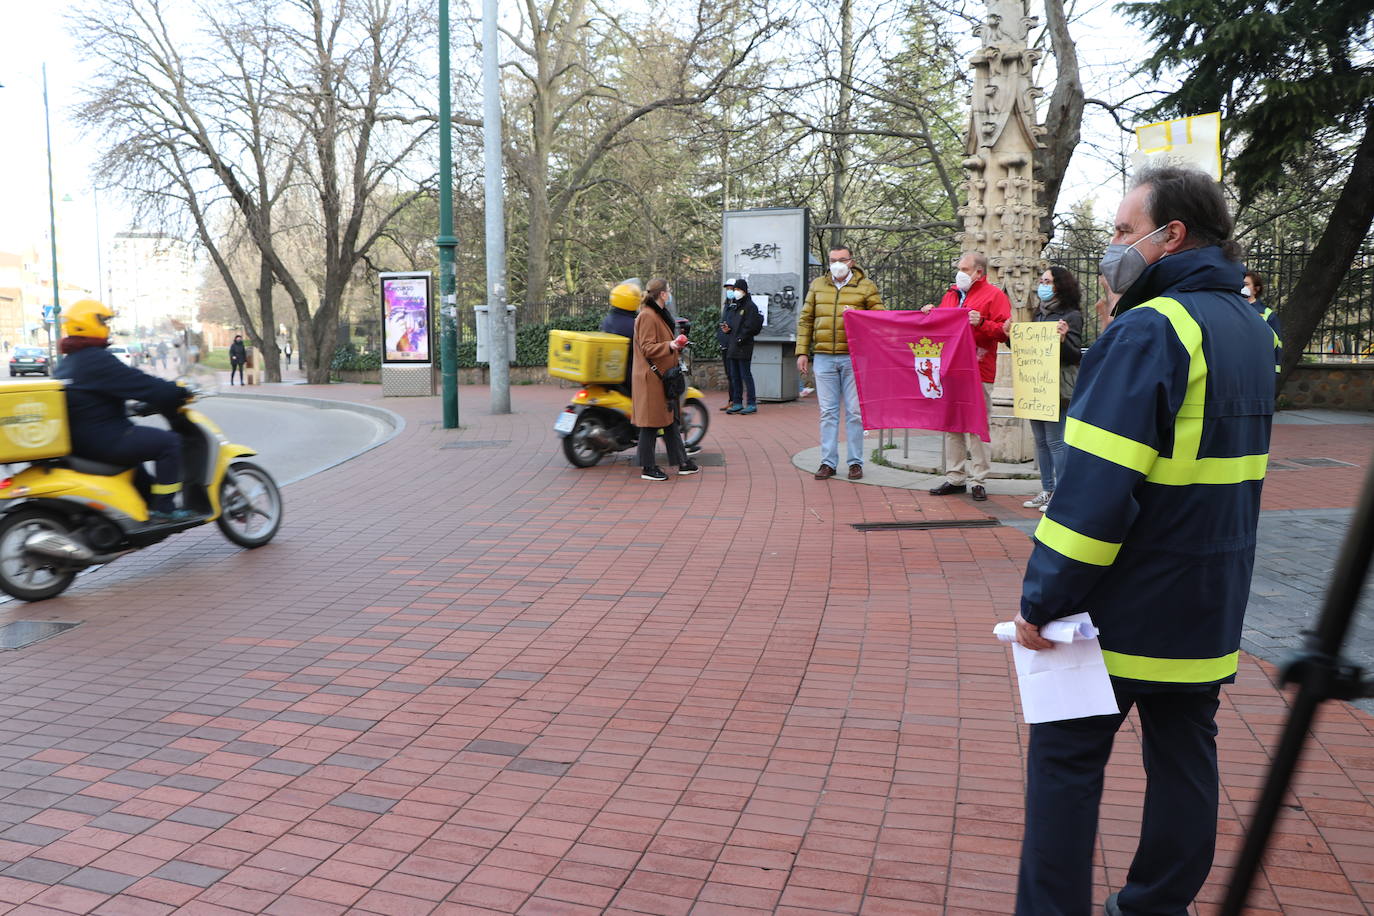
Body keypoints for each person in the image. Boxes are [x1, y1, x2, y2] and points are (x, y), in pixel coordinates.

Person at [1011, 166, 1275, 916]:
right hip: (1208, 597)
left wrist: (1042, 598)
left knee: (1065, 763)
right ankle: (1157, 904)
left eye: (1125, 233)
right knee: (1185, 758)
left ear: (1173, 237)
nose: (1114, 248)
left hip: (1118, 608)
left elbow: (1094, 492)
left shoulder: (1151, 328)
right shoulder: (1250, 329)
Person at [54, 300, 195, 523]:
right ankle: (165, 509)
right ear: (89, 324)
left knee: (136, 458)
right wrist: (175, 392)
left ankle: (149, 504)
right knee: (169, 443)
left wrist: (131, 406)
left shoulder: (67, 363)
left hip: (80, 441)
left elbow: (93, 396)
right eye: (103, 321)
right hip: (103, 439)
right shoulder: (96, 359)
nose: (108, 327)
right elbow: (140, 384)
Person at [923, 251, 1011, 501]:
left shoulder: (995, 296)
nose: (960, 273)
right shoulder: (951, 295)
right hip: (951, 369)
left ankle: (979, 479)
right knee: (953, 425)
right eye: (959, 268)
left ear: (979, 272)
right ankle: (955, 477)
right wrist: (929, 314)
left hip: (979, 369)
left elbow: (1005, 332)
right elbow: (940, 327)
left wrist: (981, 322)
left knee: (977, 426)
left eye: (965, 268)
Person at [796, 244, 884, 480]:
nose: (837, 264)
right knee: (828, 412)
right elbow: (806, 320)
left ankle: (855, 462)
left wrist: (858, 316)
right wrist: (802, 352)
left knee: (855, 412)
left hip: (854, 357)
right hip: (824, 357)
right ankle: (828, 462)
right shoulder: (818, 285)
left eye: (842, 259)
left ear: (851, 262)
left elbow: (880, 318)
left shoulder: (866, 287)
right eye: (833, 259)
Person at [1023, 265, 1084, 513]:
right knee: (1040, 442)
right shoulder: (1039, 313)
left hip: (1057, 387)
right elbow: (1029, 344)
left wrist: (1063, 339)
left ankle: (1061, 492)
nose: (1042, 285)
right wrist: (1010, 335)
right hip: (1035, 384)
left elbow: (1073, 355)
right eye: (1041, 281)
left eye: (1047, 281)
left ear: (1060, 285)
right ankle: (1046, 490)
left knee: (1056, 441)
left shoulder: (1071, 315)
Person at [631, 278, 698, 481]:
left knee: (670, 420)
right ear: (662, 294)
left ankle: (682, 462)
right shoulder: (648, 316)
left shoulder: (656, 314)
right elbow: (647, 347)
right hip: (651, 378)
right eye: (668, 290)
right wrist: (670, 345)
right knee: (651, 424)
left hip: (662, 378)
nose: (669, 293)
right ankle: (648, 467)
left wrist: (675, 345)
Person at [720, 278, 764, 414]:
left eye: (738, 290)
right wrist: (728, 329)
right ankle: (737, 402)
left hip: (744, 346)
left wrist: (740, 338)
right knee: (735, 375)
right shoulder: (735, 306)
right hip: (733, 345)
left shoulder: (750, 307)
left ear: (744, 291)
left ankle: (751, 403)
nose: (735, 292)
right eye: (735, 290)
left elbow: (750, 327)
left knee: (745, 375)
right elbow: (734, 325)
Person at [1244, 268, 1282, 374]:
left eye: (1246, 284)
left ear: (1256, 289)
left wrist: (1275, 371)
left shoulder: (1267, 314)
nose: (1242, 287)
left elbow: (1277, 345)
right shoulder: (1231, 309)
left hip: (1257, 368)